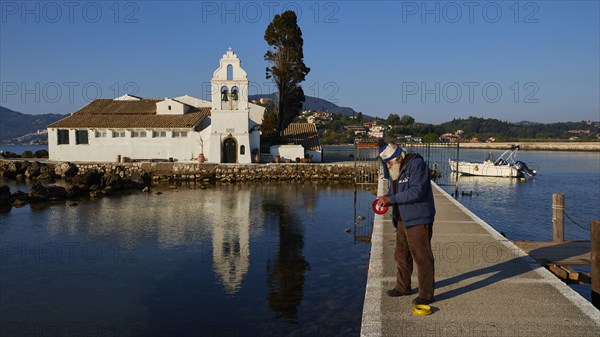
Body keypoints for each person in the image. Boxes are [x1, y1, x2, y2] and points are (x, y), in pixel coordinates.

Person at [376, 142, 436, 305]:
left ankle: (426, 294)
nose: (387, 165)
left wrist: (392, 199)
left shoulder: (417, 164)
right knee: (401, 254)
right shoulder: (395, 169)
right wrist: (386, 199)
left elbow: (417, 191)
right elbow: (394, 191)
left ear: (398, 157)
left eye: (389, 161)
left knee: (422, 257)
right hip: (402, 217)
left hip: (419, 217)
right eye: (385, 162)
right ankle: (403, 287)